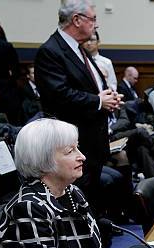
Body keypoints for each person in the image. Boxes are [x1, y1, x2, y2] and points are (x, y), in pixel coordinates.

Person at [0, 118, 104, 248]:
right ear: (43, 160)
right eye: (70, 151)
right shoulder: (28, 208)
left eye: (77, 148)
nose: (82, 157)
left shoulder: (72, 192)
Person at [35, 0, 122, 207]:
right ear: (76, 20)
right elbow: (59, 94)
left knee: (92, 198)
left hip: (92, 140)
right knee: (79, 200)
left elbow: (90, 87)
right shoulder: (51, 51)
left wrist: (108, 97)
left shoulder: (77, 49)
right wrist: (99, 101)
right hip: (73, 141)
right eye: (93, 19)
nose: (96, 24)